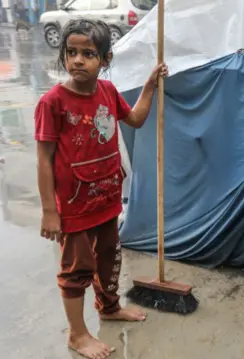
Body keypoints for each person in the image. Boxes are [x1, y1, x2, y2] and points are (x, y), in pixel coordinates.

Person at [35, 19, 168, 359]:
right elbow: (44, 160)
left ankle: (109, 307)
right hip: (75, 207)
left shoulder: (108, 92)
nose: (78, 60)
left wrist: (150, 86)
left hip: (107, 200)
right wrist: (50, 211)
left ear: (106, 60)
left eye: (88, 54)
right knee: (76, 268)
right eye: (72, 52)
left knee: (109, 257)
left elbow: (136, 119)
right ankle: (78, 335)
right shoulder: (53, 102)